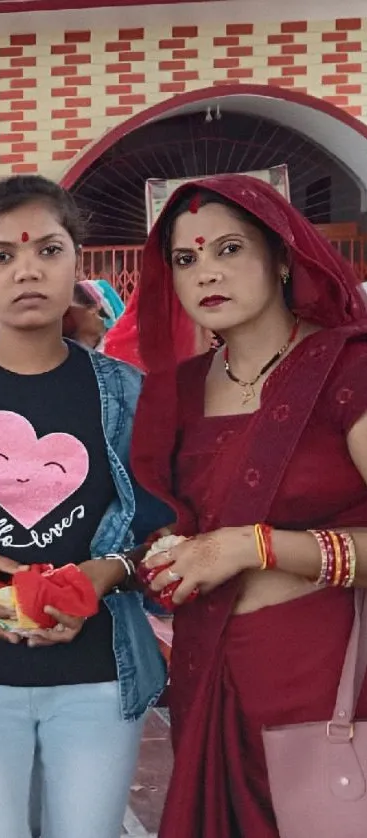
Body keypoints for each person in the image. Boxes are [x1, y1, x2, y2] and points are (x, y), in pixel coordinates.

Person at [129, 174, 367, 837]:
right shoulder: (172, 393)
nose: (207, 271)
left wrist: (251, 545)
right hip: (211, 682)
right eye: (186, 258)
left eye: (229, 249)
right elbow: (168, 526)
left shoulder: (345, 371)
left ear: (282, 258)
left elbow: (233, 540)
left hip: (325, 683)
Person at [0, 173, 168, 838]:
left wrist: (107, 572)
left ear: (76, 265)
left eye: (48, 250)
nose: (27, 271)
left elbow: (167, 537)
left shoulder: (127, 394)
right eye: (3, 256)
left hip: (97, 680)